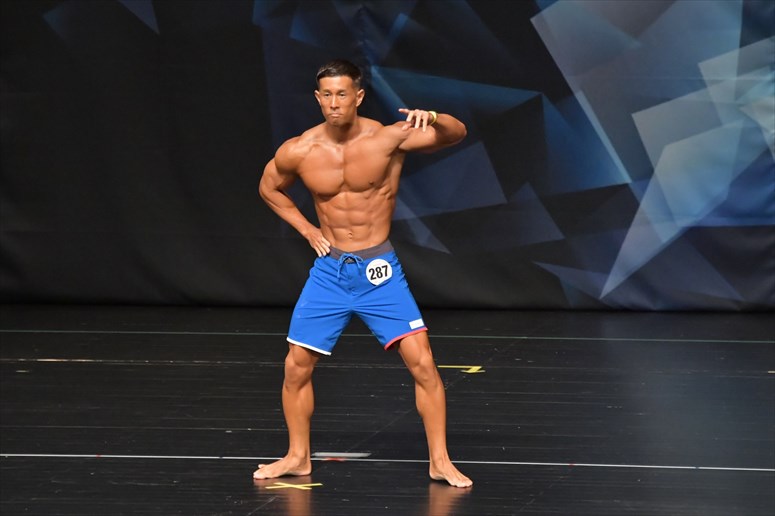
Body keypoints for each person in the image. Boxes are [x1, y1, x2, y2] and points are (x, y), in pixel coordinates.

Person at [255, 59, 472, 488]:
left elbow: (456, 134)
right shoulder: (300, 149)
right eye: (327, 95)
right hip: (330, 271)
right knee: (296, 367)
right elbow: (268, 187)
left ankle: (440, 461)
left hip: (379, 271)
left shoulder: (389, 138)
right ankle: (297, 456)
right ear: (318, 99)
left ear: (358, 96)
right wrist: (307, 229)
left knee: (423, 364)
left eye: (342, 94)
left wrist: (434, 117)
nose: (334, 103)